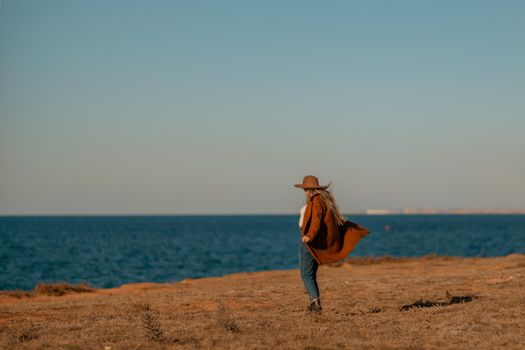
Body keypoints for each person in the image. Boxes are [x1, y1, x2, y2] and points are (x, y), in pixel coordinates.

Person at [295, 175, 369, 314]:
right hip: (312, 240)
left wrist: (309, 236)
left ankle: (315, 303)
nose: (304, 191)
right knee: (309, 274)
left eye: (304, 188)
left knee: (305, 274)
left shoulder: (316, 200)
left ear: (308, 188)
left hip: (308, 242)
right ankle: (315, 303)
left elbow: (316, 220)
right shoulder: (322, 200)